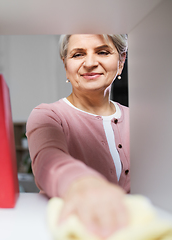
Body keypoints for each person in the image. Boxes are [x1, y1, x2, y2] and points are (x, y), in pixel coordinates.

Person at [26, 34, 129, 238]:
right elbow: (48, 161)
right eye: (78, 54)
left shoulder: (141, 119)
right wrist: (82, 184)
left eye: (102, 52)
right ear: (65, 65)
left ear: (121, 61)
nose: (90, 63)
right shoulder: (47, 115)